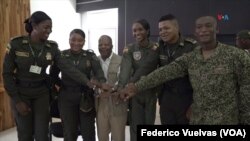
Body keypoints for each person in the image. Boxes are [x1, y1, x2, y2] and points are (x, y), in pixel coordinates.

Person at [120, 16, 250, 125]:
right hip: (197, 118)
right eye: (199, 27)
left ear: (217, 29)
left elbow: (246, 91)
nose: (203, 30)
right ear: (195, 31)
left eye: (208, 26)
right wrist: (135, 87)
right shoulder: (191, 57)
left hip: (226, 120)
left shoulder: (236, 56)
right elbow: (163, 73)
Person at [2, 11, 105, 141]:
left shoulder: (52, 47)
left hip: (41, 94)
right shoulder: (16, 44)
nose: (49, 31)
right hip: (21, 93)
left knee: (43, 134)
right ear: (34, 25)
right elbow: (7, 74)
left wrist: (88, 82)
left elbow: (67, 68)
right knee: (25, 134)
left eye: (50, 28)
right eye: (46, 27)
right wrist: (17, 100)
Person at [49, 29, 106, 141]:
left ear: (84, 41)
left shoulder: (90, 56)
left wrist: (99, 83)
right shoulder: (62, 56)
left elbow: (100, 75)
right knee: (69, 133)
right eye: (73, 40)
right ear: (69, 40)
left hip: (85, 97)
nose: (76, 43)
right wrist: (62, 85)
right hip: (66, 97)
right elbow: (53, 75)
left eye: (80, 40)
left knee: (88, 132)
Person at [118, 19, 159, 141]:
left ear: (147, 31)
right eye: (134, 30)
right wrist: (121, 87)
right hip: (134, 92)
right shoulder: (129, 49)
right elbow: (125, 70)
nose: (137, 33)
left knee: (148, 124)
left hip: (150, 92)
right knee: (135, 125)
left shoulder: (155, 48)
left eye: (140, 29)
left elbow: (151, 68)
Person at [155, 14, 196, 124]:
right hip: (166, 98)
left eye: (166, 28)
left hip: (186, 98)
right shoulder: (160, 47)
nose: (163, 31)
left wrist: (195, 103)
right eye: (160, 29)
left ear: (177, 28)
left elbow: (200, 78)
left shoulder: (191, 47)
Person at [95, 35, 127, 141]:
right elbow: (92, 79)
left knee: (118, 136)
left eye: (106, 44)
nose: (103, 47)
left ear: (112, 46)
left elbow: (123, 80)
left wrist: (113, 90)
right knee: (102, 136)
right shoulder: (95, 60)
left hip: (117, 102)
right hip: (101, 102)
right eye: (100, 44)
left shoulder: (121, 60)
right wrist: (100, 90)